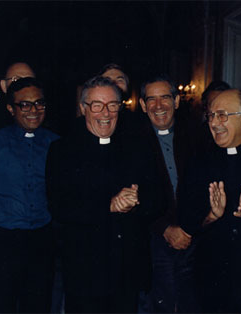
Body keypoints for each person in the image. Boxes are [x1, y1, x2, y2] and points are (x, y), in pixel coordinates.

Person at [46, 76, 164, 313]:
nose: (106, 113)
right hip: (85, 272)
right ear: (83, 108)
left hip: (126, 270)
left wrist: (137, 201)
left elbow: (159, 200)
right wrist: (108, 205)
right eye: (97, 105)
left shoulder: (136, 147)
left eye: (112, 105)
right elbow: (59, 206)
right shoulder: (62, 150)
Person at [179, 88, 241, 313]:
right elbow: (187, 222)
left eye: (222, 115)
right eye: (210, 116)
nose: (214, 123)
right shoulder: (198, 162)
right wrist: (211, 215)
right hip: (208, 272)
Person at [0, 77, 58, 313]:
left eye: (39, 104)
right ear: (11, 109)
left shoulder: (55, 143)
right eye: (25, 105)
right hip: (3, 237)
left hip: (41, 237)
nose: (34, 110)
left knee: (38, 304)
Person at [138, 75, 202, 313]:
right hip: (155, 236)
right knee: (161, 302)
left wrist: (190, 228)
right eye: (151, 99)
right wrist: (164, 228)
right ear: (143, 106)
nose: (158, 106)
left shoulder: (198, 136)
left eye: (165, 97)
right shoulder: (133, 142)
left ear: (176, 101)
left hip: (193, 234)